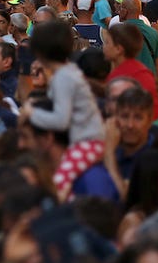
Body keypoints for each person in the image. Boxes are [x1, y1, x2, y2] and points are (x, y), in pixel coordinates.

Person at [22, 21, 105, 200]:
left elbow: (61, 120)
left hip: (88, 143)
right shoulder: (68, 73)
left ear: (40, 53)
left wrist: (31, 112)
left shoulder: (63, 77)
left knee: (58, 188)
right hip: (88, 141)